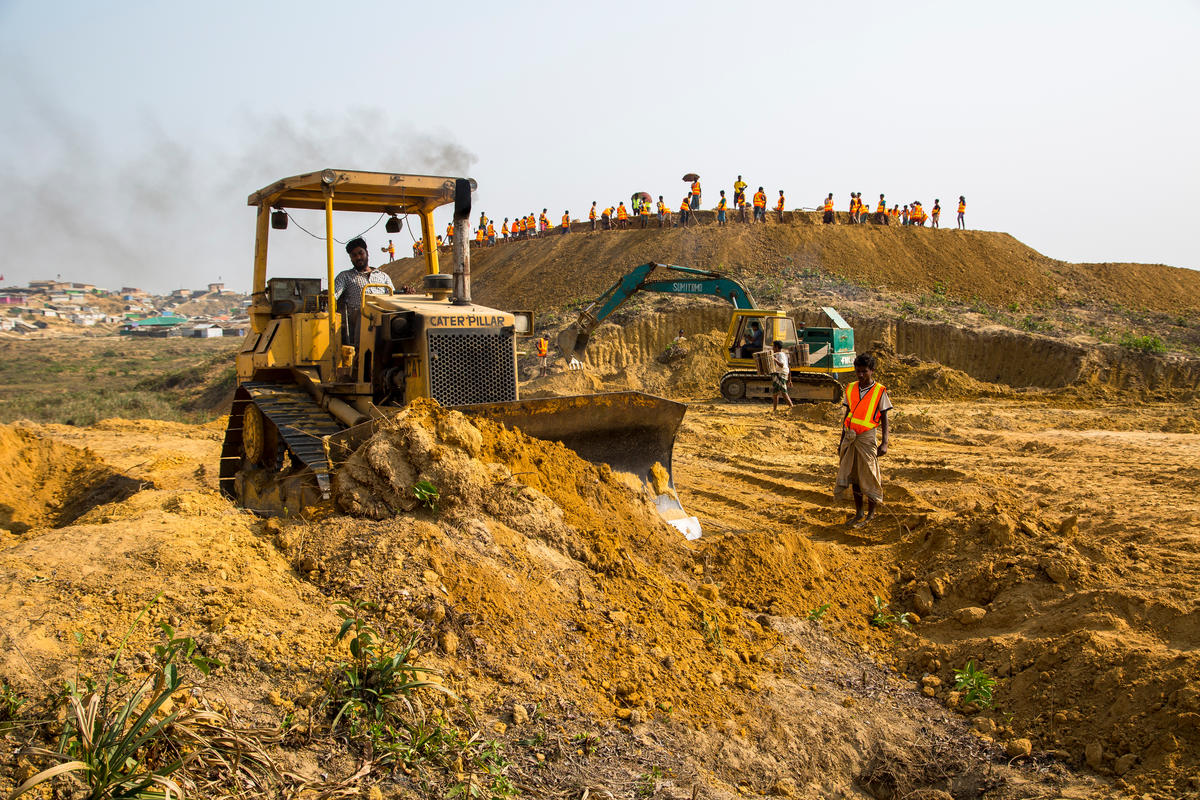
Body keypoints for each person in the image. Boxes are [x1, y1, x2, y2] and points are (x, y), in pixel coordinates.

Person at [835, 353, 891, 528]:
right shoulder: (851, 388)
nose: (860, 375)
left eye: (864, 372)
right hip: (850, 436)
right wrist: (841, 439)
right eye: (858, 371)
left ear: (872, 371)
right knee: (855, 476)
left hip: (867, 437)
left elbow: (884, 417)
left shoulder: (879, 391)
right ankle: (859, 512)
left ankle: (871, 514)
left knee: (870, 474)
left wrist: (885, 442)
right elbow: (847, 415)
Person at [334, 237, 394, 347]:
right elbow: (334, 295)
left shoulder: (383, 276)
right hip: (360, 318)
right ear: (351, 258)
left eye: (360, 253)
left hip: (383, 317)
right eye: (354, 255)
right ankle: (359, 350)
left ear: (367, 253)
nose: (358, 257)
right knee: (365, 314)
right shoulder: (345, 276)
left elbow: (394, 298)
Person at [770, 340, 793, 411]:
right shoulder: (783, 354)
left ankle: (792, 407)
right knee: (775, 393)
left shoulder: (780, 355)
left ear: (776, 347)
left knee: (783, 392)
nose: (772, 348)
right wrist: (789, 380)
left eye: (773, 347)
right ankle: (774, 410)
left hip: (781, 374)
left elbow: (782, 365)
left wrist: (774, 359)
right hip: (779, 374)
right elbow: (788, 367)